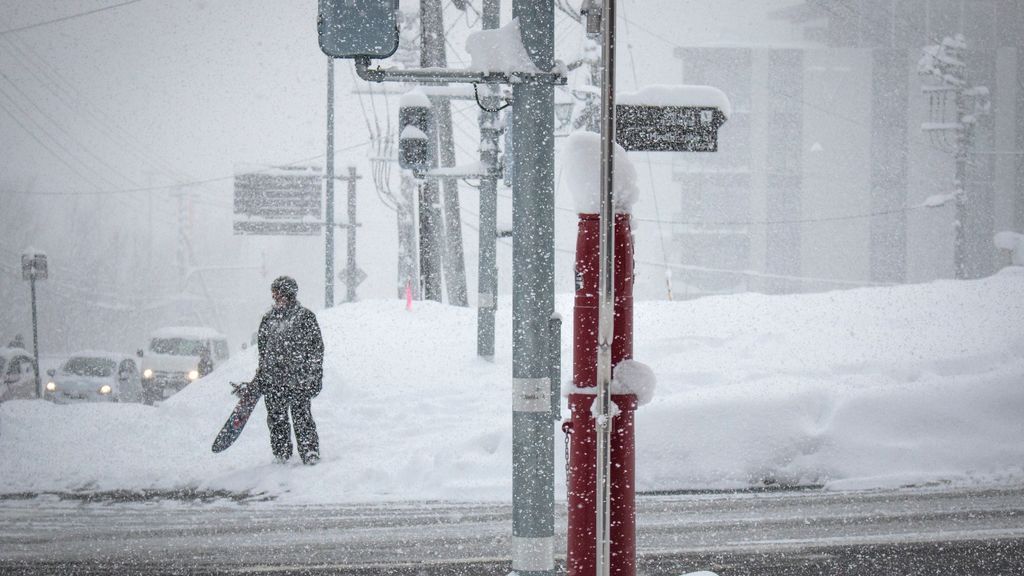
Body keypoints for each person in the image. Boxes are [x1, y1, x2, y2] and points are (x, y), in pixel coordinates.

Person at [254, 275, 324, 465]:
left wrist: (315, 376)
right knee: (276, 419)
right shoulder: (268, 319)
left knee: (302, 417)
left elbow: (316, 349)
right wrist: (262, 373)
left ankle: (309, 452)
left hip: (298, 380)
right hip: (273, 380)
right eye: (274, 294)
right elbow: (263, 349)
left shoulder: (305, 317)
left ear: (289, 295)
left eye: (278, 294)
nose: (275, 298)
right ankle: (281, 453)